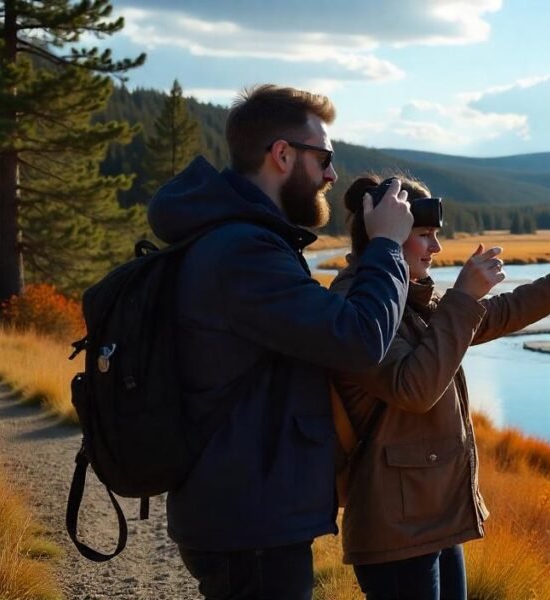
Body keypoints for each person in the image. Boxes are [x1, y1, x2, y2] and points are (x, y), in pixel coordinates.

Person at [145, 85, 414, 599]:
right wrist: (385, 246)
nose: (332, 175)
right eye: (325, 158)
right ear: (282, 154)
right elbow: (360, 339)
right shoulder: (242, 251)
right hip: (250, 519)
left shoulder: (238, 238)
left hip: (247, 508)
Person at [330, 174, 550, 600]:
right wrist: (463, 297)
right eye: (423, 235)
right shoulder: (360, 306)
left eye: (436, 236)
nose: (435, 248)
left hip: (433, 516)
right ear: (389, 235)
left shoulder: (408, 299)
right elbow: (415, 388)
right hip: (395, 531)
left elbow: (495, 314)